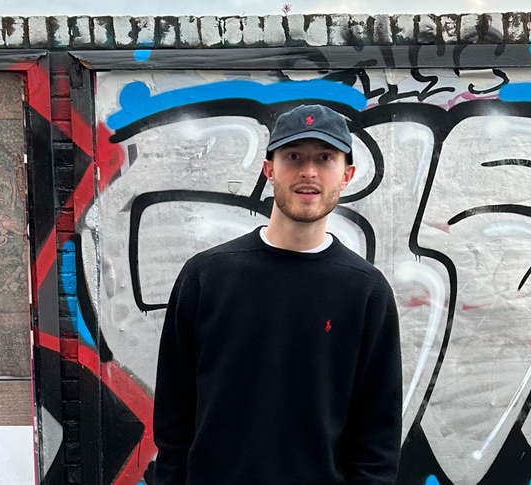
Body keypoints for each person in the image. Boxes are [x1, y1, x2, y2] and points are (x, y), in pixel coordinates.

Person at [154, 104, 402, 485]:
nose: (308, 172)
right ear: (269, 169)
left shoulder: (365, 291)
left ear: (347, 175)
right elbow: (174, 414)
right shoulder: (207, 276)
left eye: (325, 158)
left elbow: (377, 436)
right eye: (293, 157)